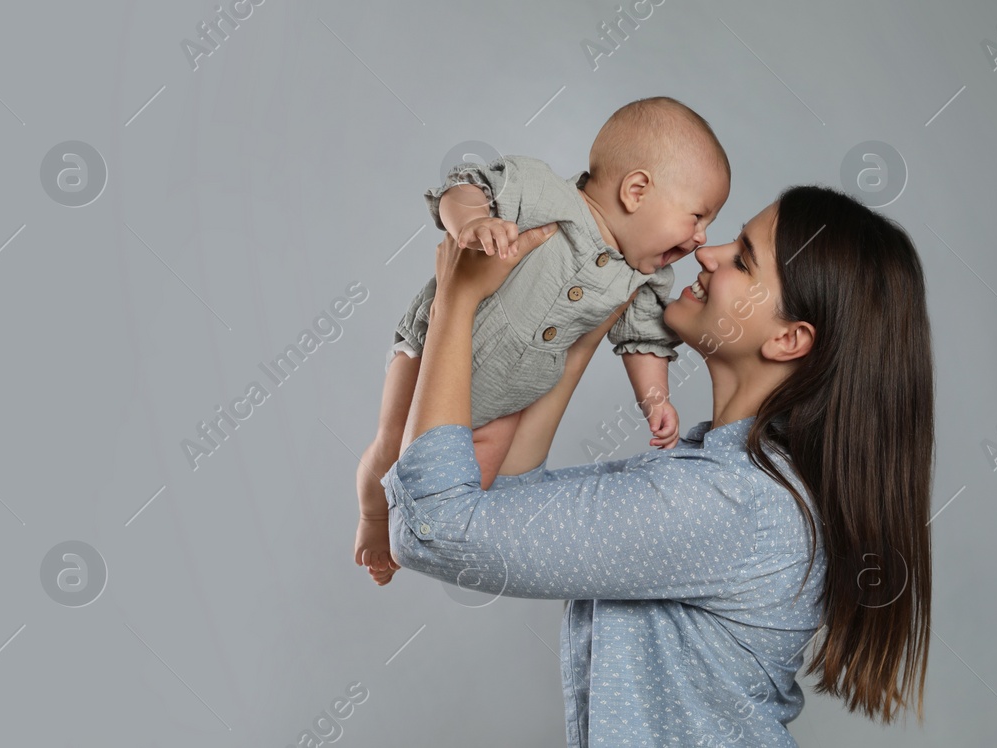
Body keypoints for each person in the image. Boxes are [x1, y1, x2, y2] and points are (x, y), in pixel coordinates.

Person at [360, 186, 935, 746]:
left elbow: (434, 529)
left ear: (788, 339)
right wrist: (587, 320)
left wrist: (454, 304)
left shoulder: (733, 501)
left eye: (741, 259)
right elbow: (509, 498)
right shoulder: (726, 475)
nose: (706, 254)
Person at [353, 98, 732, 580]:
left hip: (515, 393)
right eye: (698, 217)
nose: (701, 238)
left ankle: (414, 534)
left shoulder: (642, 276)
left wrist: (655, 398)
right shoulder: (542, 192)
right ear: (637, 190)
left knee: (475, 484)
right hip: (433, 353)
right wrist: (473, 223)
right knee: (394, 449)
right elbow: (465, 186)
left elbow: (644, 341)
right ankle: (372, 515)